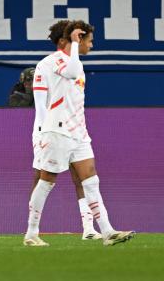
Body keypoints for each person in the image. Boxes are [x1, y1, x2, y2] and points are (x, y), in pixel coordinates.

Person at [24, 20, 135, 247]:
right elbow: (71, 72)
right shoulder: (52, 61)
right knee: (47, 181)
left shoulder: (76, 62)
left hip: (79, 133)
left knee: (91, 179)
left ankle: (107, 231)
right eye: (89, 41)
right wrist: (74, 44)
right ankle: (31, 233)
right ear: (77, 39)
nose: (91, 46)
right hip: (57, 131)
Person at [28, 20, 101, 241]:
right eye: (71, 38)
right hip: (49, 130)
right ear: (63, 41)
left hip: (73, 131)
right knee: (42, 178)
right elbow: (41, 104)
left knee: (82, 177)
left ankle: (89, 228)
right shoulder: (47, 65)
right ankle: (32, 229)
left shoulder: (75, 66)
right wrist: (41, 133)